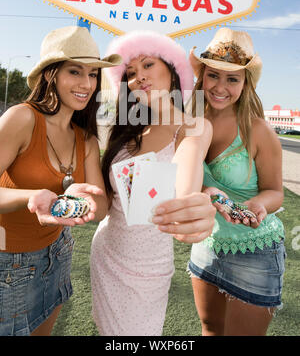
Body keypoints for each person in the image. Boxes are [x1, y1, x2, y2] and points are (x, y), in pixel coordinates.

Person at [90, 30, 216, 336]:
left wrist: (188, 203)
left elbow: (188, 165)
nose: (139, 78)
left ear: (173, 72)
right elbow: (107, 200)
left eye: (148, 65)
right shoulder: (126, 133)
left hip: (148, 270)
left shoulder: (193, 127)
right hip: (106, 253)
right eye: (130, 73)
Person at [0, 25, 121, 336]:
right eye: (75, 72)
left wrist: (84, 199)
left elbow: (102, 205)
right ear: (50, 75)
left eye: (93, 74)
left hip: (59, 251)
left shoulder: (87, 139)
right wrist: (32, 197)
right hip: (7, 262)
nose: (86, 83)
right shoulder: (21, 118)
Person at [187, 27, 285, 336]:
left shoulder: (259, 131)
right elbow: (180, 177)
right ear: (201, 75)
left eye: (233, 79)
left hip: (255, 251)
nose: (221, 87)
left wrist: (258, 204)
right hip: (207, 244)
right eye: (213, 75)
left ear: (246, 84)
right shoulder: (186, 122)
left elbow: (275, 192)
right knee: (210, 329)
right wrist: (206, 193)